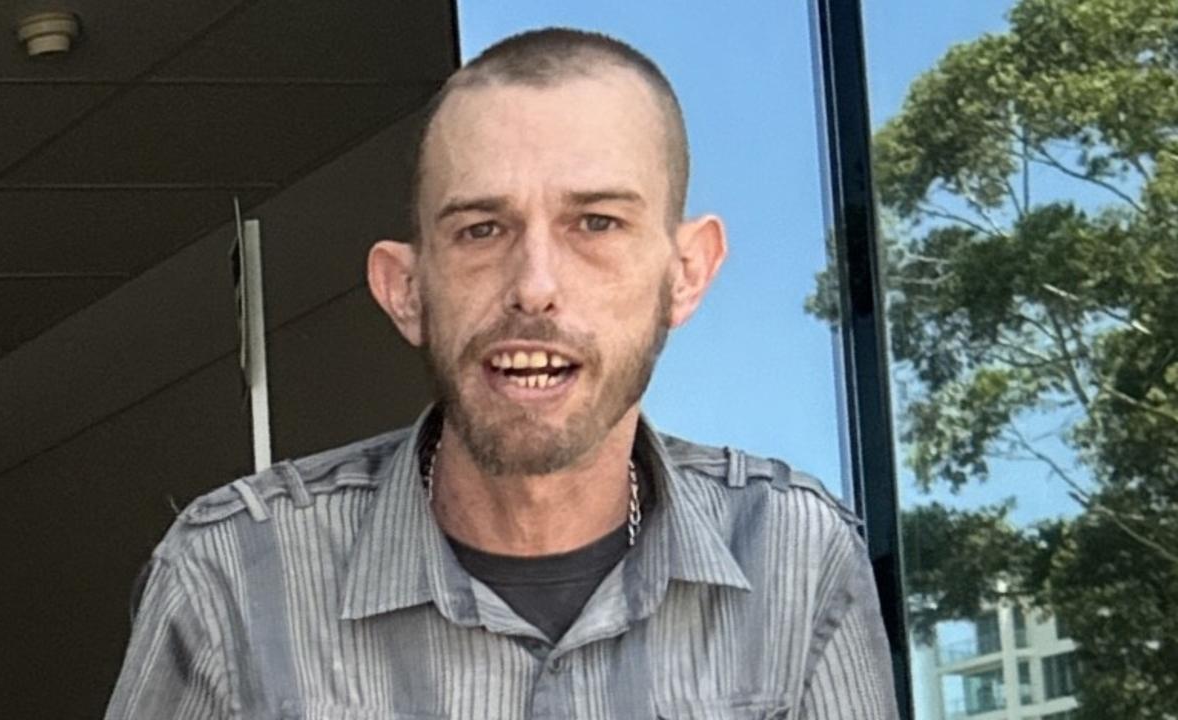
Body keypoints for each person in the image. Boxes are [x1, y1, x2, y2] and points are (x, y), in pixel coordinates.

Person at [105, 27, 897, 720]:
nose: (535, 285)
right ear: (405, 290)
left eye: (596, 223)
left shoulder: (793, 559)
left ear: (687, 272)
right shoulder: (235, 582)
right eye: (482, 229)